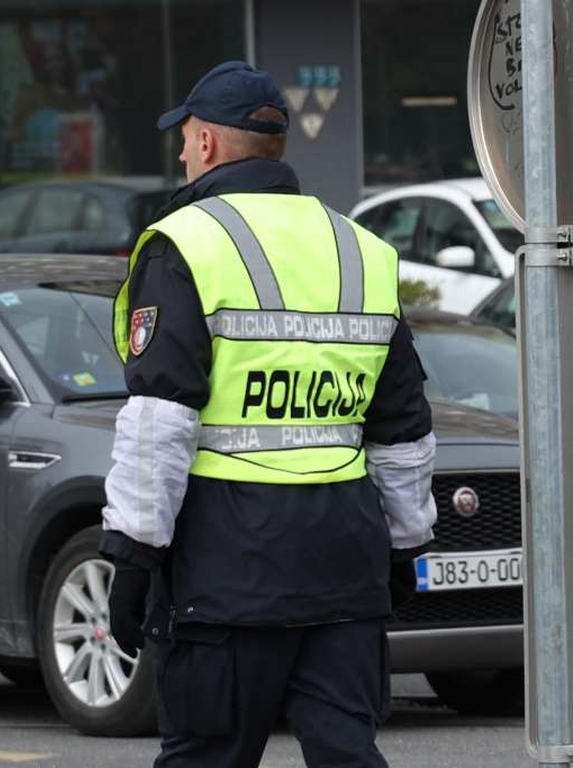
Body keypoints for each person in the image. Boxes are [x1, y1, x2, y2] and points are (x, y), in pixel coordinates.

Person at [100, 60, 436, 767]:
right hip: (345, 562)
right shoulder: (363, 251)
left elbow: (161, 418)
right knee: (348, 754)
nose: (183, 153)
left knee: (207, 756)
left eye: (187, 138)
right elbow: (402, 425)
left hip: (227, 571)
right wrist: (405, 543)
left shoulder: (188, 242)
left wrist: (132, 557)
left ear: (210, 145)